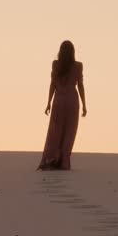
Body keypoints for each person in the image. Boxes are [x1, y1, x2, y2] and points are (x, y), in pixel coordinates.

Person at [37, 40, 87, 170]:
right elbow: (80, 85)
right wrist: (84, 104)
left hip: (59, 100)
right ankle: (64, 161)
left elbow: (52, 84)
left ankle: (52, 158)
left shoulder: (56, 64)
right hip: (72, 100)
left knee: (55, 130)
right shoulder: (78, 66)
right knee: (69, 131)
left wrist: (48, 102)